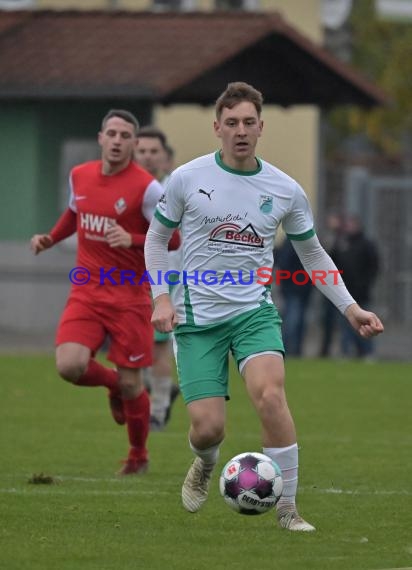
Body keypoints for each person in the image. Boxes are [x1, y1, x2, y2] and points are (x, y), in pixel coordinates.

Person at [144, 82, 384, 532]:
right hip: (196, 320)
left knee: (271, 396)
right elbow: (156, 239)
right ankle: (205, 461)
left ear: (261, 127)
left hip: (254, 313)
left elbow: (312, 254)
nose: (240, 130)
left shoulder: (285, 189)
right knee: (207, 428)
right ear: (217, 127)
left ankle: (288, 509)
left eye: (248, 123)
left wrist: (350, 308)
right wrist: (160, 297)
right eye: (231, 122)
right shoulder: (187, 179)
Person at [30, 109, 167, 475]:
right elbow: (74, 215)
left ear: (135, 144)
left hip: (130, 297)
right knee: (69, 366)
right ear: (101, 138)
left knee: (133, 382)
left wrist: (133, 239)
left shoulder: (148, 188)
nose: (118, 141)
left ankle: (138, 455)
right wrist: (50, 238)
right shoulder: (80, 175)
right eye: (113, 134)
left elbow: (174, 238)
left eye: (126, 136)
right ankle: (112, 386)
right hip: (87, 291)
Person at [135, 126, 181, 430]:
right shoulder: (129, 188)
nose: (148, 158)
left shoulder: (172, 192)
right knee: (135, 347)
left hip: (167, 278)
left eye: (155, 153)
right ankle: (160, 394)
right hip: (129, 278)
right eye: (143, 151)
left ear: (166, 159)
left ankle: (159, 409)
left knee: (158, 346)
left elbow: (173, 241)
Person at [333, 214, 380, 359]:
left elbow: (374, 266)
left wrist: (365, 283)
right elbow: (333, 263)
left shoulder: (366, 244)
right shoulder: (342, 243)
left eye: (352, 224)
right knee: (345, 325)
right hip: (344, 291)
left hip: (361, 292)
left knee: (365, 323)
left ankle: (367, 352)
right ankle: (345, 352)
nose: (349, 227)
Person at [274, 237, 313, 356]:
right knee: (293, 320)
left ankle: (294, 350)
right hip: (294, 288)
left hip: (300, 287)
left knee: (297, 320)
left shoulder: (292, 242)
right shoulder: (293, 242)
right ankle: (289, 349)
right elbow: (283, 264)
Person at [318, 211, 344, 357]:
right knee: (327, 320)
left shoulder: (344, 239)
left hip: (342, 285)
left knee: (342, 321)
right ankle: (325, 349)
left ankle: (344, 350)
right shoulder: (326, 238)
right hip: (327, 285)